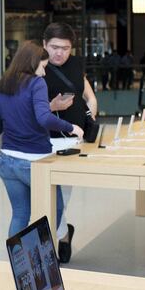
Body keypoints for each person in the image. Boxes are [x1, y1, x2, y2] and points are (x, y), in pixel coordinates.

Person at [0, 43, 83, 237]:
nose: (44, 73)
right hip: (34, 162)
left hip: (7, 161)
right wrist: (72, 127)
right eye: (43, 67)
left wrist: (13, 116)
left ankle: (19, 263)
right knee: (53, 212)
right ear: (32, 64)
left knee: (20, 215)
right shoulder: (36, 83)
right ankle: (41, 258)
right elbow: (44, 118)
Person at [42, 22, 98, 263]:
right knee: (51, 197)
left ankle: (62, 233)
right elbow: (27, 108)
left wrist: (90, 117)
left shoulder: (75, 64)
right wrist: (52, 106)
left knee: (63, 196)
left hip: (74, 140)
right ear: (44, 45)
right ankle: (62, 234)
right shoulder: (38, 68)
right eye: (54, 47)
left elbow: (89, 95)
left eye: (65, 48)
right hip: (47, 140)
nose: (59, 53)